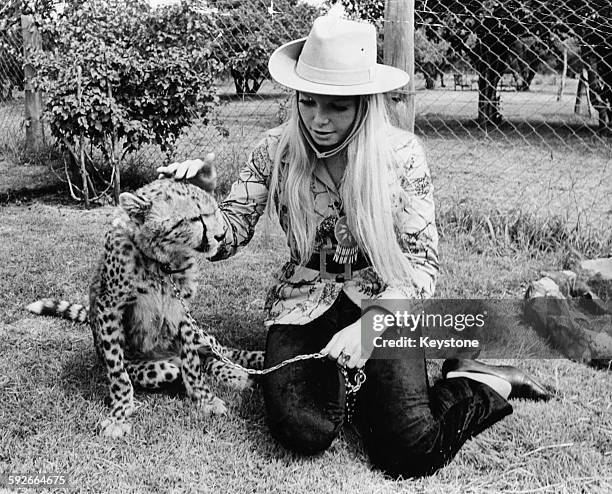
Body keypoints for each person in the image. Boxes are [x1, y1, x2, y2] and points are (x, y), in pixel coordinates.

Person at [158, 15, 551, 479]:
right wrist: (201, 203)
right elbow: (232, 232)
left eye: (338, 106)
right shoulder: (273, 150)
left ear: (364, 105)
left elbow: (421, 265)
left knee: (410, 449)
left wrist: (368, 332)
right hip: (303, 300)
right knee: (303, 429)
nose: (318, 120)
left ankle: (477, 378)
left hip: (382, 299)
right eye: (308, 101)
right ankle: (359, 385)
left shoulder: (401, 155)